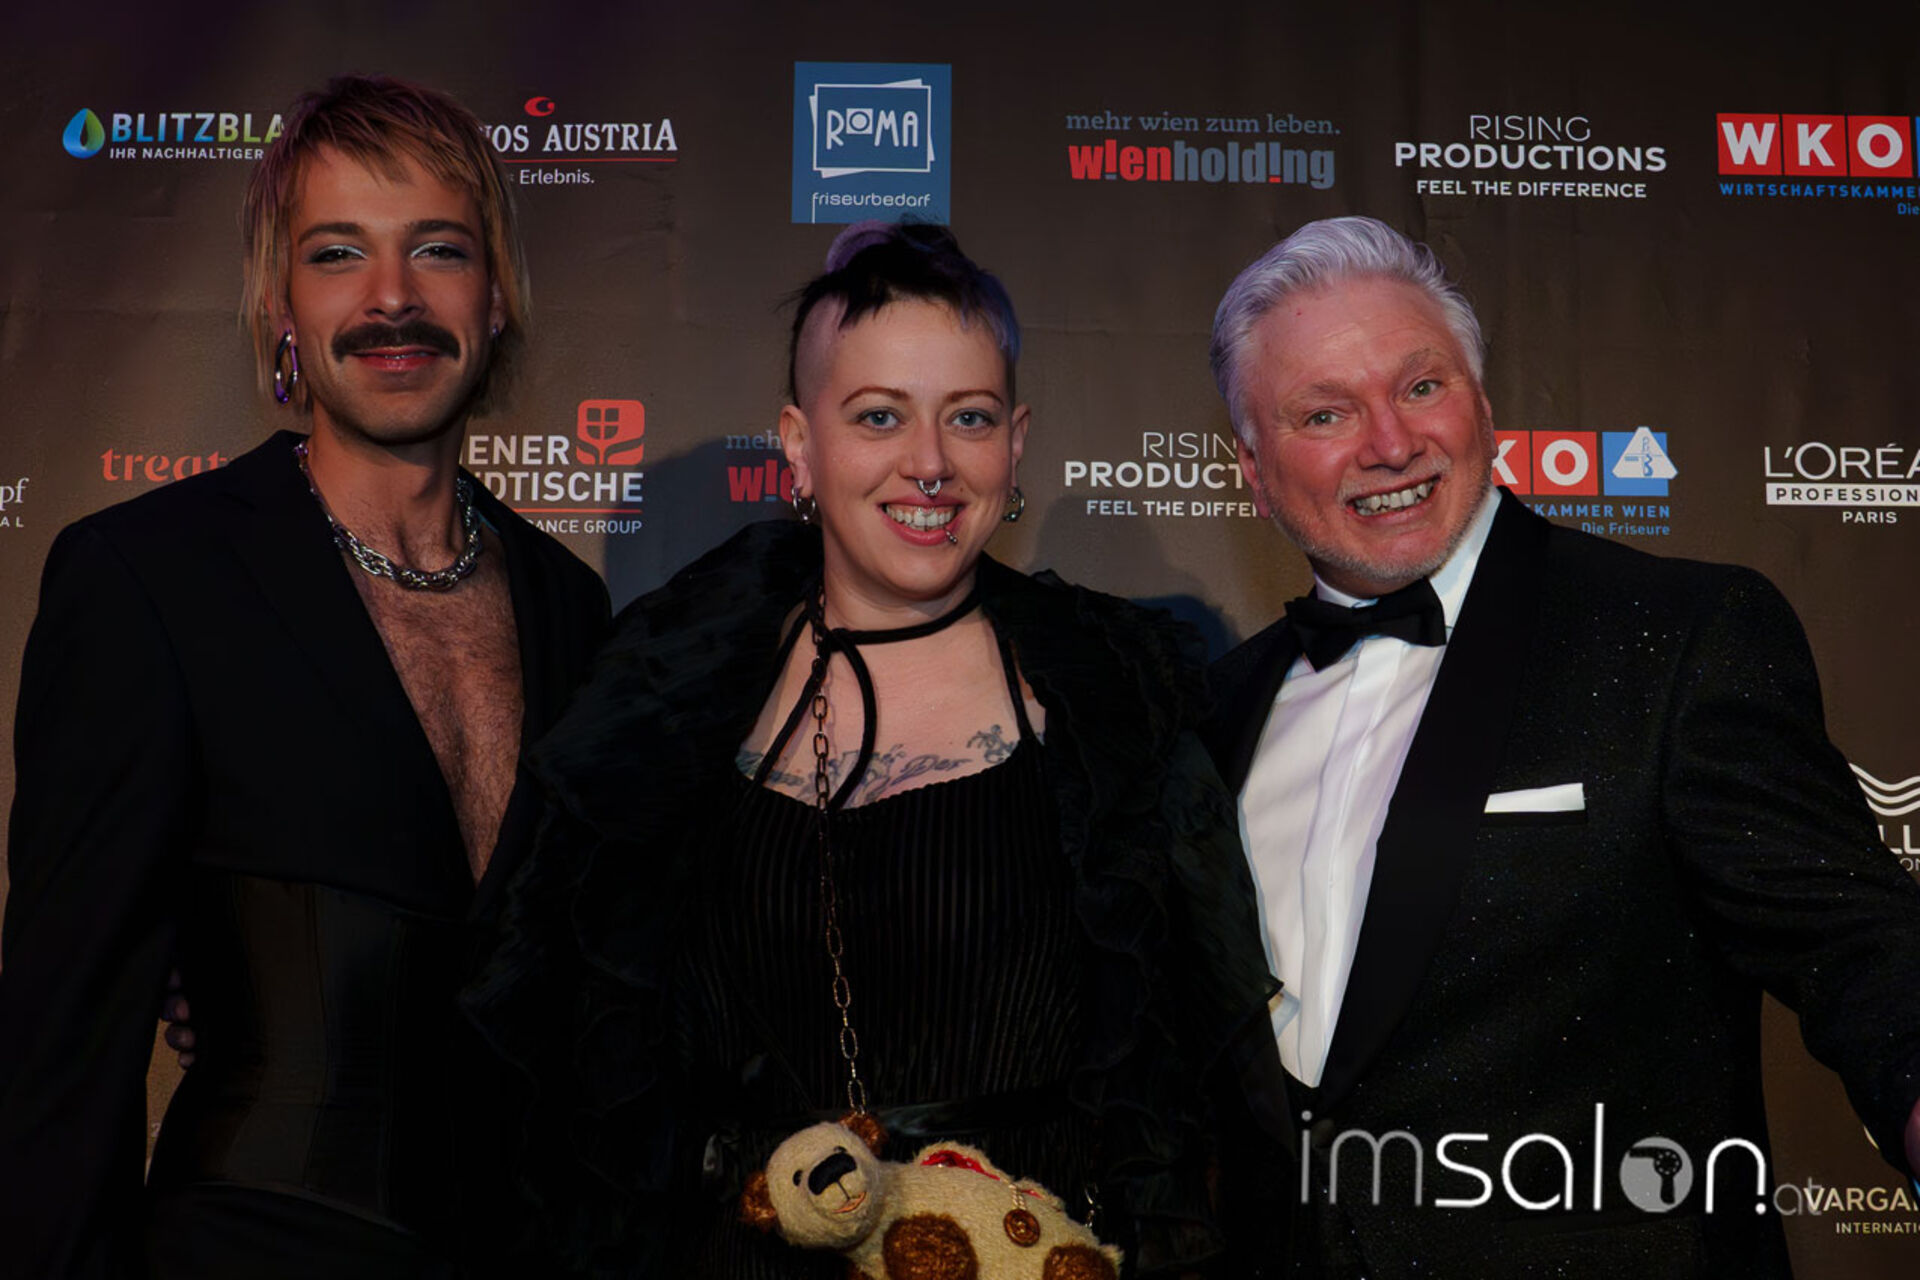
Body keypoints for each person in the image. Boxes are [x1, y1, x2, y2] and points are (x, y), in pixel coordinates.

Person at [463, 222, 1275, 1277]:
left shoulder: (1116, 702)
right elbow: (581, 1069)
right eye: (879, 415)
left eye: (969, 417)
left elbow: (1194, 1089)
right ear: (800, 445)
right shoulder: (663, 697)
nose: (928, 464)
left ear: (1016, 442)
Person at [1201, 215, 1920, 1277]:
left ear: (1484, 408)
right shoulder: (1213, 708)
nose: (1390, 442)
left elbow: (1853, 938)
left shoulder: (1679, 636)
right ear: (1254, 471)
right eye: (1325, 412)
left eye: (1421, 386)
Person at [0, 75, 609, 1279]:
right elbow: (65, 1044)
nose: (392, 297)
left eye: (438, 249)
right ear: (280, 302)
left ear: (497, 297)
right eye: (338, 254)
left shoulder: (571, 609)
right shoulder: (150, 578)